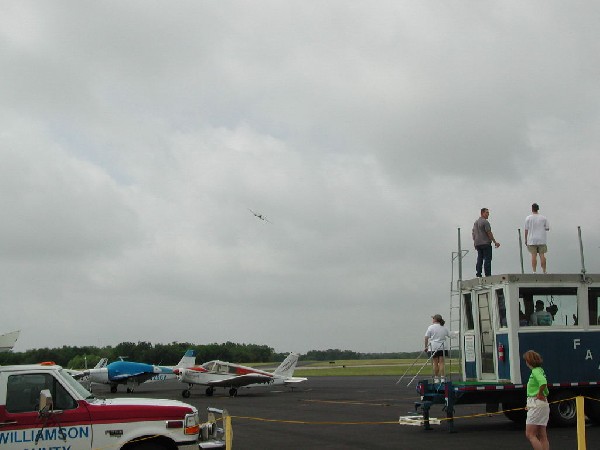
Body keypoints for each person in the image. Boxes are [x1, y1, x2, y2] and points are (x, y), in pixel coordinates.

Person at [523, 350, 550, 450]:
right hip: (541, 404)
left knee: (530, 434)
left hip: (536, 403)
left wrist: (539, 394)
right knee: (542, 434)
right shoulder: (540, 370)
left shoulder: (535, 371)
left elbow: (543, 382)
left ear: (529, 361)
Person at [472, 208, 500, 277]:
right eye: (486, 213)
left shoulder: (476, 222)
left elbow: (473, 233)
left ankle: (478, 273)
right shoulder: (485, 222)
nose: (488, 214)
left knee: (480, 258)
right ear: (482, 213)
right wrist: (495, 242)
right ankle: (488, 274)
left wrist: (475, 242)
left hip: (478, 243)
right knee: (487, 259)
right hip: (485, 243)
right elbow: (489, 233)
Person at [424, 314, 450, 383]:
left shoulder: (430, 327)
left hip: (433, 347)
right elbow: (449, 335)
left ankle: (436, 378)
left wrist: (426, 347)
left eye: (433, 318)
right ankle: (442, 378)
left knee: (435, 363)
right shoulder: (444, 327)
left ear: (435, 319)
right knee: (441, 363)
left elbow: (426, 337)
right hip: (442, 347)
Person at [524, 203, 550, 274]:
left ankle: (534, 271)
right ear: (538, 209)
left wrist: (526, 239)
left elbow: (526, 230)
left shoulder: (528, 218)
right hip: (542, 239)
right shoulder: (544, 218)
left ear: (532, 209)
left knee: (533, 255)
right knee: (542, 255)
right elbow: (547, 228)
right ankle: (544, 271)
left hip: (532, 239)